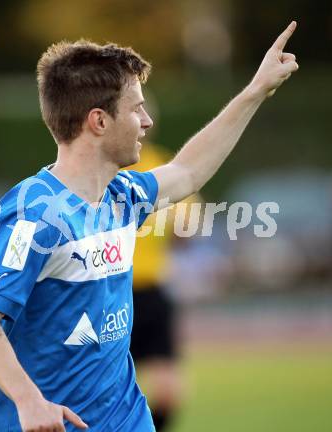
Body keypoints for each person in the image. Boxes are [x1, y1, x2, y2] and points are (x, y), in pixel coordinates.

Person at [0, 22, 299, 432]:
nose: (148, 121)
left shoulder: (123, 194)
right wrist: (30, 402)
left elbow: (187, 170)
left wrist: (253, 92)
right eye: (136, 108)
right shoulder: (34, 214)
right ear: (99, 121)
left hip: (124, 420)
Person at [127, 143, 202, 431]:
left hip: (150, 292)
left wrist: (176, 223)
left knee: (169, 390)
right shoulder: (97, 170)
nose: (142, 121)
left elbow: (186, 232)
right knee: (93, 389)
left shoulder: (162, 168)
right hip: (103, 293)